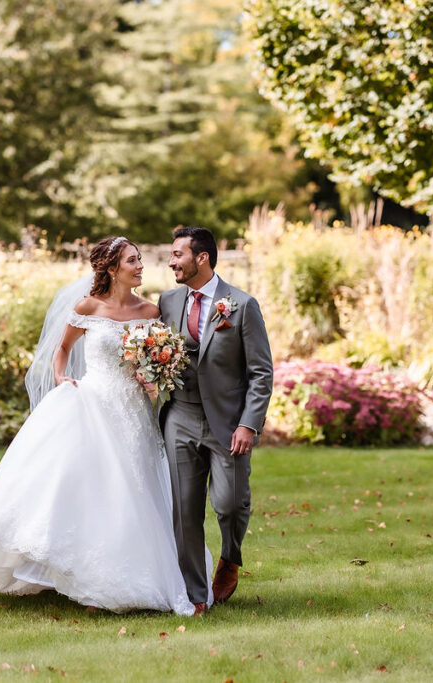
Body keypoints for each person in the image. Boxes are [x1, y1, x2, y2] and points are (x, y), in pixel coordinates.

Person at [0, 236, 209, 616]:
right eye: (133, 260)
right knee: (92, 489)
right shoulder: (87, 306)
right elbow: (60, 350)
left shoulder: (151, 310)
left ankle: (129, 573)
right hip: (92, 404)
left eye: (140, 259)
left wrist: (155, 375)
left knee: (136, 488)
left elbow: (156, 355)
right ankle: (83, 577)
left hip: (133, 412)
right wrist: (62, 378)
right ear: (113, 269)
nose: (141, 265)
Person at [159, 226, 274, 615]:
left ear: (201, 257)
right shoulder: (167, 302)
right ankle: (196, 596)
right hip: (180, 416)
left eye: (178, 254)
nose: (171, 261)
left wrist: (249, 424)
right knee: (185, 510)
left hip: (228, 424)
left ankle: (230, 556)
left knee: (230, 503)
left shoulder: (241, 305)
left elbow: (261, 372)